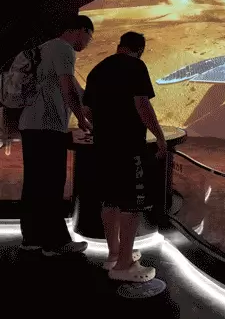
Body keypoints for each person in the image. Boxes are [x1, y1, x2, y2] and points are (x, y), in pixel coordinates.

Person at [82, 31, 168, 282]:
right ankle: (124, 265)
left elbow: (86, 111)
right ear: (139, 50)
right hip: (129, 146)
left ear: (119, 46)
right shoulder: (136, 66)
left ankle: (114, 254)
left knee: (109, 200)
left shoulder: (97, 69)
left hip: (103, 146)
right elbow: (142, 105)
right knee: (131, 204)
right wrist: (159, 136)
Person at [18, 15, 94, 256]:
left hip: (30, 124)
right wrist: (81, 119)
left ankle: (31, 238)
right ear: (82, 30)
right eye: (89, 38)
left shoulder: (45, 48)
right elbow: (68, 88)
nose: (87, 44)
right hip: (48, 126)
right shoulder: (63, 49)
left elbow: (75, 89)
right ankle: (56, 242)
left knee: (33, 184)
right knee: (51, 183)